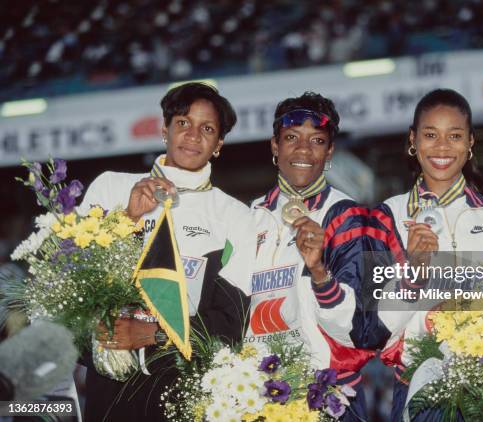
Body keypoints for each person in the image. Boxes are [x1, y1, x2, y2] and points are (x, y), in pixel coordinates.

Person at [77, 82, 253, 421]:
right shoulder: (111, 186)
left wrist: (155, 334)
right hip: (109, 384)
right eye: (183, 123)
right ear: (164, 130)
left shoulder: (235, 217)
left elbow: (231, 323)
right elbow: (74, 282)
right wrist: (127, 220)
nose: (192, 135)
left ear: (218, 145)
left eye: (207, 129)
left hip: (186, 389)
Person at [369, 89, 483, 421]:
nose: (442, 146)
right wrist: (415, 270)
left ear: (470, 142)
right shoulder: (386, 218)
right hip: (419, 386)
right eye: (431, 135)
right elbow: (375, 326)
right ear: (413, 140)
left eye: (454, 135)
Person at [243, 92, 379, 421]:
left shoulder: (346, 217)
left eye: (316, 140)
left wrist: (318, 271)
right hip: (261, 392)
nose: (303, 150)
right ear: (274, 146)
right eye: (291, 138)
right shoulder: (252, 215)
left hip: (326, 396)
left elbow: (358, 327)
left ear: (329, 151)